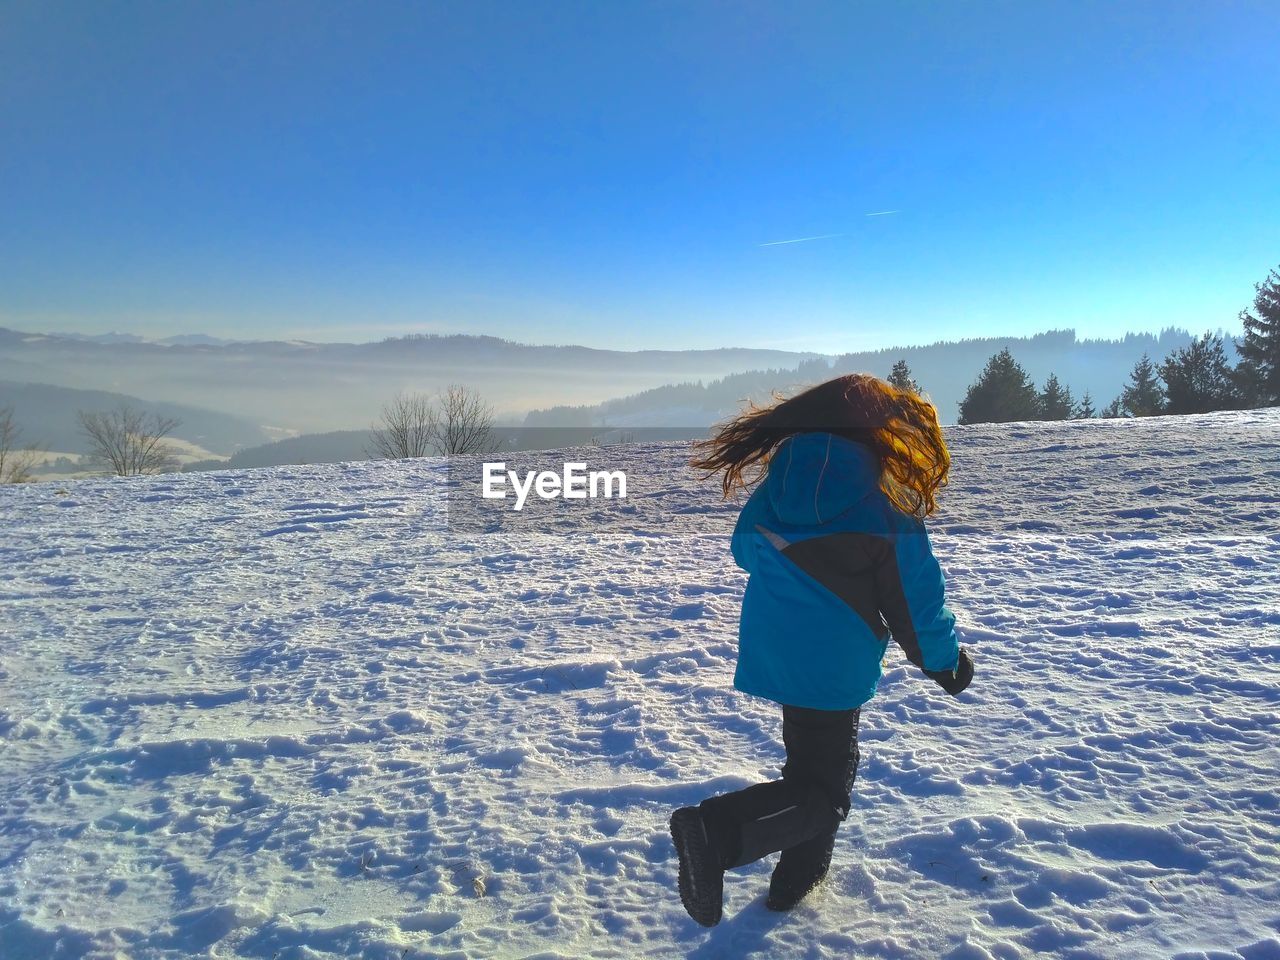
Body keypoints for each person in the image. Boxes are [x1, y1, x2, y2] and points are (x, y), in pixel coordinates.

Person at [669, 373, 974, 927]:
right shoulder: (886, 498)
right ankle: (719, 832)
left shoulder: (782, 478)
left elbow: (745, 548)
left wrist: (798, 562)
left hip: (779, 649)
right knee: (825, 794)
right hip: (835, 664)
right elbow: (915, 599)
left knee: (810, 773)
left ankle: (793, 885)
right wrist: (945, 661)